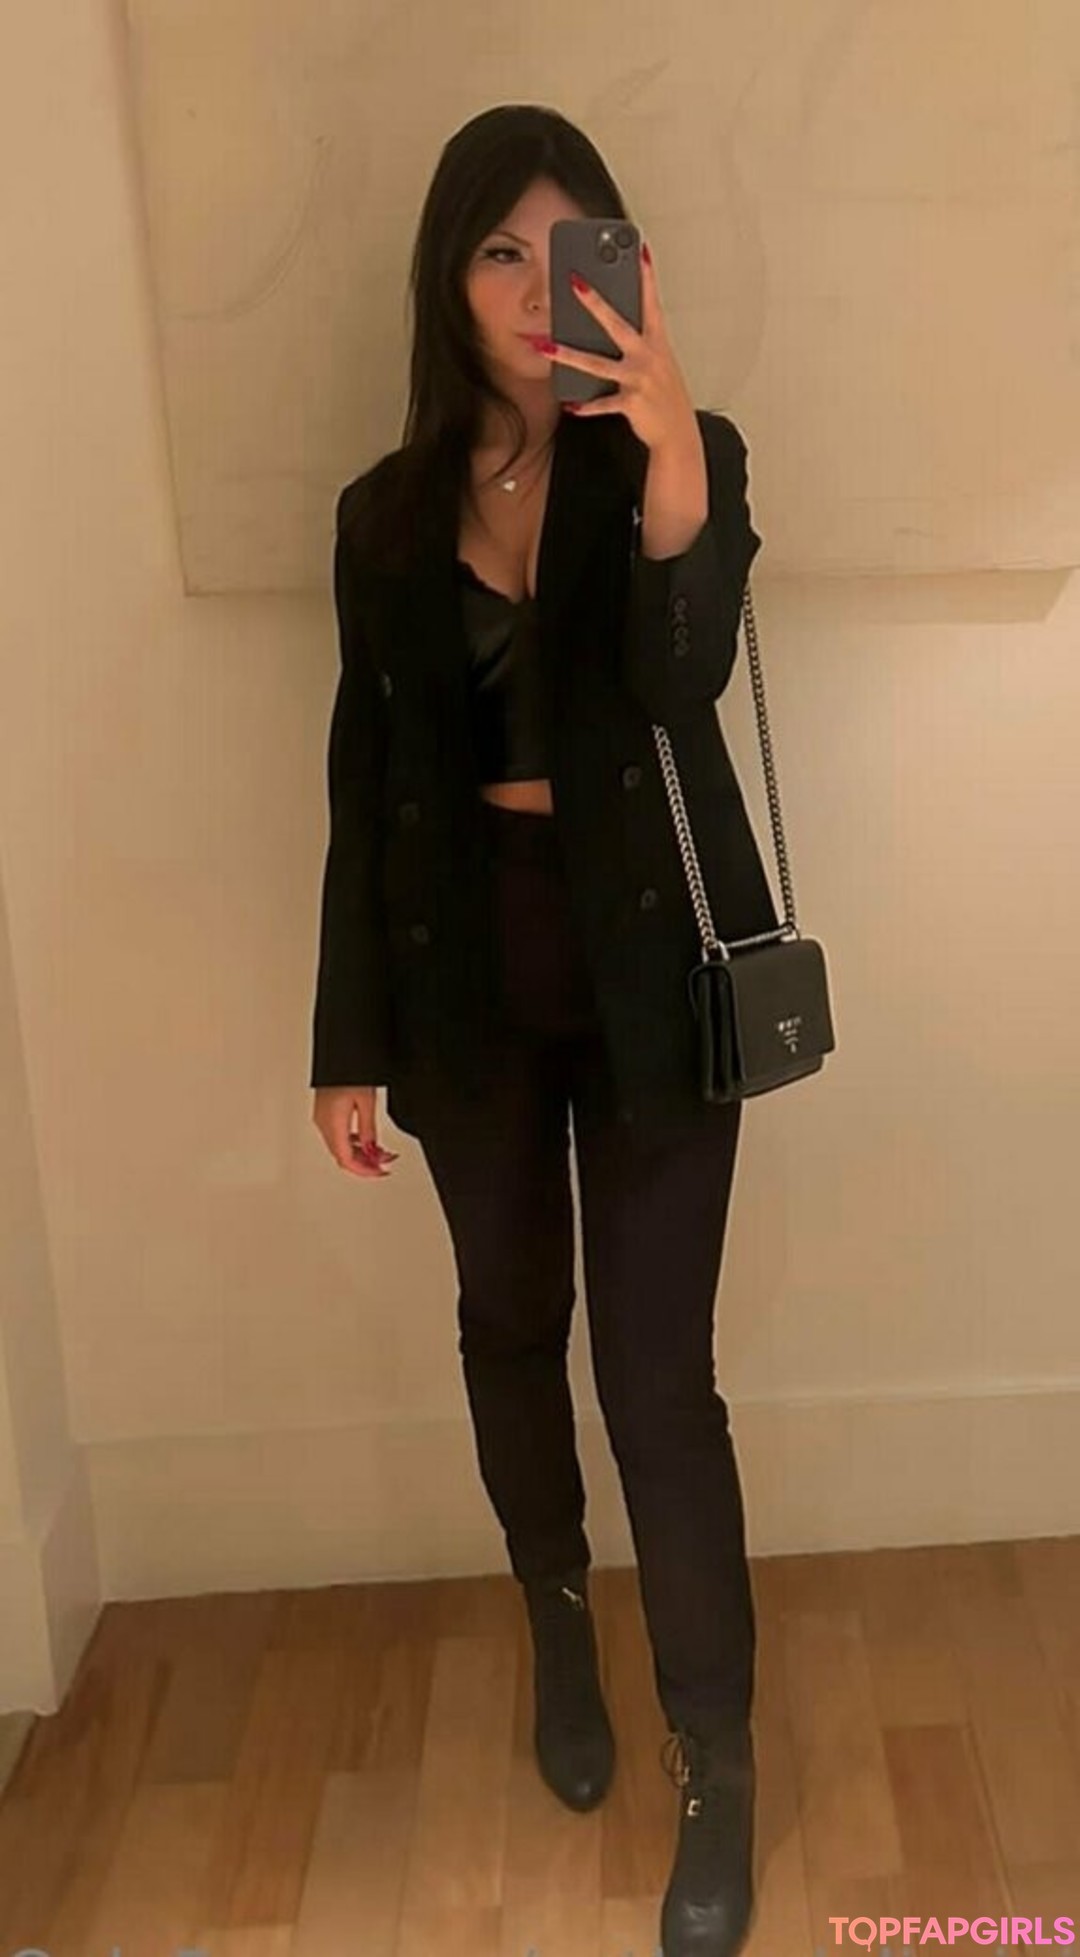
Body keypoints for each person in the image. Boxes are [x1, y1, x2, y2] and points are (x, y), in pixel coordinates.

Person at [310, 103, 779, 1957]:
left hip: (651, 968)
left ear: (619, 267)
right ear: (448, 277)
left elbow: (685, 673)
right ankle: (558, 1623)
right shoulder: (382, 516)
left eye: (563, 246)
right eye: (498, 249)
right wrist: (344, 1038)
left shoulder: (686, 454)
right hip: (467, 982)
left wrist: (664, 446)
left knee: (661, 1382)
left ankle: (718, 1756)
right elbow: (364, 789)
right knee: (510, 1324)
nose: (529, 285)